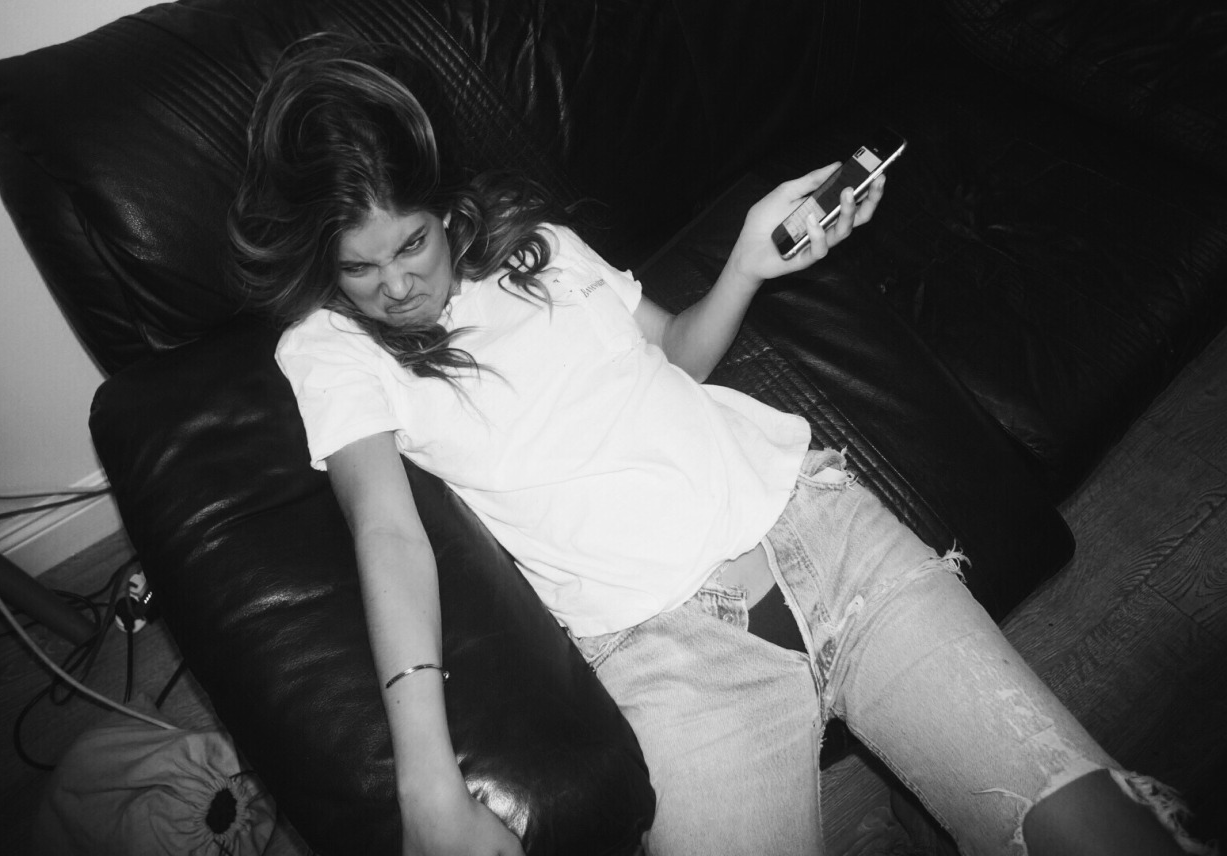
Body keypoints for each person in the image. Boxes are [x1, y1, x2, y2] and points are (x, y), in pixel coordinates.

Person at [229, 34, 1207, 856]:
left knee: (1103, 833)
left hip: (823, 535)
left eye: (412, 244)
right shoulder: (331, 350)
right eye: (359, 267)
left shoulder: (541, 250)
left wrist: (746, 261)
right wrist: (427, 786)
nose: (397, 285)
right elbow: (388, 534)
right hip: (669, 654)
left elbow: (673, 357)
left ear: (445, 209)